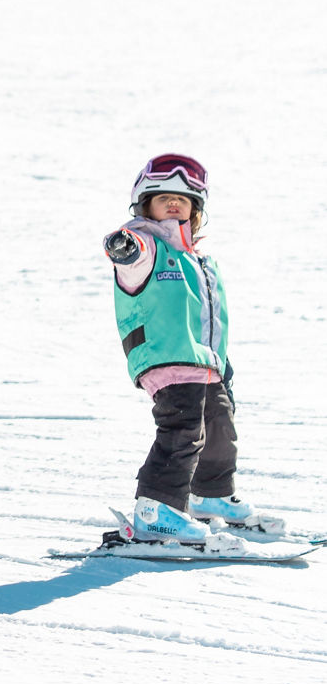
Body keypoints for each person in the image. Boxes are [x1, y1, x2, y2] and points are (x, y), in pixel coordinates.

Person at [103, 153, 269, 542]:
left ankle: (210, 495)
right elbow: (129, 257)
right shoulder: (146, 246)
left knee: (220, 429)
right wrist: (123, 247)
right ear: (146, 206)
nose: (174, 204)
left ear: (196, 211)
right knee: (182, 431)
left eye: (183, 200)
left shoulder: (198, 259)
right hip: (167, 359)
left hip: (205, 362)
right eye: (163, 198)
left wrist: (221, 364)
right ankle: (155, 509)